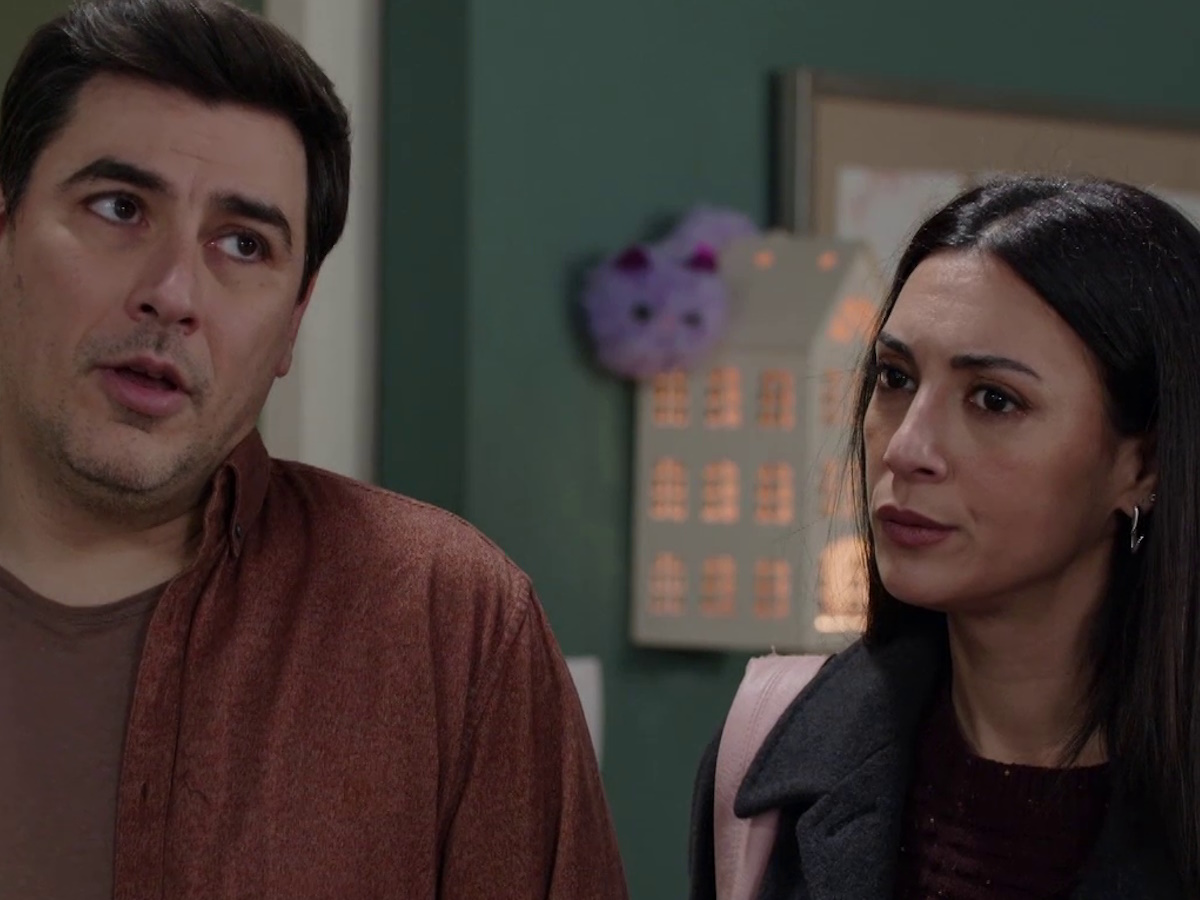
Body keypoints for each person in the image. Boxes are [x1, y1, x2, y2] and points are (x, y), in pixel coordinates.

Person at [0, 1, 628, 898]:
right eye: (119, 207)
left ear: (294, 320)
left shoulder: (449, 624)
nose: (173, 292)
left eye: (242, 243)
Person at [689, 175, 1200, 899]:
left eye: (993, 399)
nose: (906, 448)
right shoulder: (770, 754)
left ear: (1143, 465)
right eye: (895, 378)